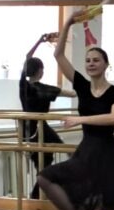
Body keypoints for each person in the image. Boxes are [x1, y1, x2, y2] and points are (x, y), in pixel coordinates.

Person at [36, 11, 114, 210]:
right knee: (44, 178)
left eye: (96, 60)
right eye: (88, 60)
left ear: (106, 64)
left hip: (108, 153)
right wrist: (68, 23)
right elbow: (58, 55)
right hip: (87, 152)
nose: (91, 64)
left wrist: (80, 119)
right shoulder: (80, 84)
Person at [20, 34, 76, 199]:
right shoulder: (45, 89)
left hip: (28, 130)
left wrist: (39, 41)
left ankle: (39, 193)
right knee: (61, 153)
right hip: (40, 129)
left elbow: (27, 57)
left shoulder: (23, 85)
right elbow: (72, 94)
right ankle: (40, 194)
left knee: (45, 162)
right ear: (40, 71)